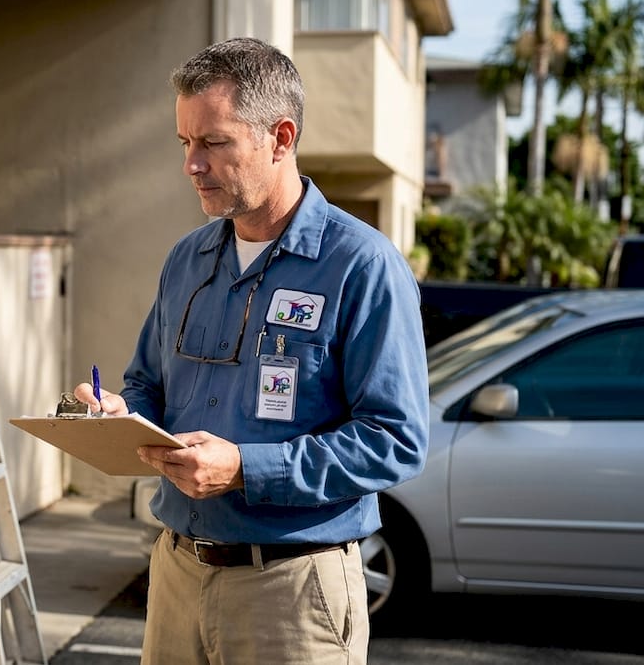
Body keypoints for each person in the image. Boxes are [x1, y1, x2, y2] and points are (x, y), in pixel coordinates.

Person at [74, 37, 428, 664]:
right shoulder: (186, 260)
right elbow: (148, 385)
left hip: (292, 592)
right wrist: (116, 416)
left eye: (214, 142)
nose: (192, 164)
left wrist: (244, 467)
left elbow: (395, 440)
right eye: (185, 143)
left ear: (281, 138)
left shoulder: (362, 266)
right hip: (177, 572)